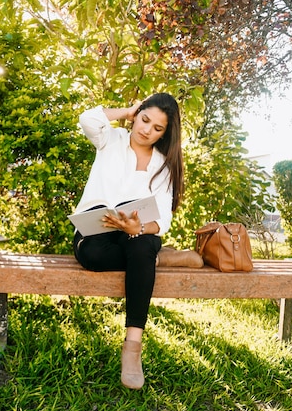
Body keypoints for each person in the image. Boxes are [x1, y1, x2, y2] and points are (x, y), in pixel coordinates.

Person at [72, 93, 201, 389]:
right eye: (144, 120)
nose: (147, 130)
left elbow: (163, 221)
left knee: (141, 245)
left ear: (165, 133)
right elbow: (87, 118)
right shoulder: (111, 140)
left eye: (158, 128)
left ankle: (133, 347)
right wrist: (126, 111)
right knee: (91, 255)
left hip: (137, 235)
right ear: (137, 114)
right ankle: (158, 259)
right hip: (97, 231)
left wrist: (137, 226)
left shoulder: (163, 166)